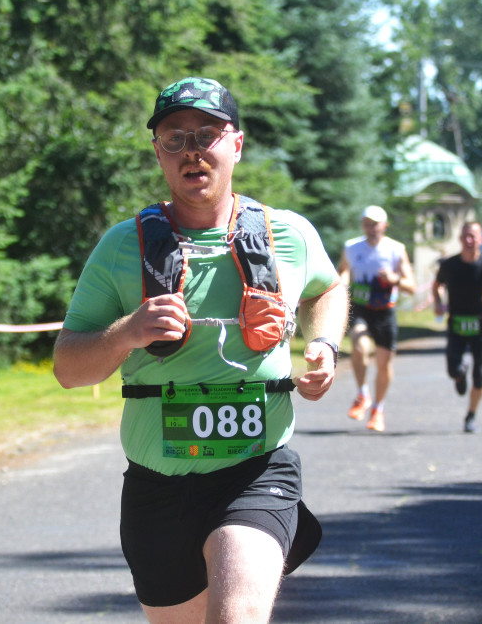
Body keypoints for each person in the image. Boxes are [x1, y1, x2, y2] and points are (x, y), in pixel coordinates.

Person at [53, 76, 348, 623]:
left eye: (207, 134)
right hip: (156, 488)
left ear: (236, 143)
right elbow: (69, 368)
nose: (192, 150)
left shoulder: (289, 234)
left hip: (257, 472)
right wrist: (127, 332)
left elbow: (327, 287)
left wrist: (325, 344)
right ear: (157, 153)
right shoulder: (122, 246)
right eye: (174, 137)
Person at [337, 205, 416, 432]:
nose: (372, 228)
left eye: (376, 224)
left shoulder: (396, 249)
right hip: (361, 308)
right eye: (367, 224)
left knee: (384, 363)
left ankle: (378, 409)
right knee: (360, 346)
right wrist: (342, 281)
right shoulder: (351, 247)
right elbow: (344, 270)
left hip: (385, 311)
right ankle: (362, 394)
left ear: (385, 226)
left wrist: (394, 279)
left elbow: (411, 286)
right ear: (363, 225)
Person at [431, 222, 482, 434]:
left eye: (474, 237)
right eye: (466, 236)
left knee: (479, 375)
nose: (469, 241)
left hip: (480, 325)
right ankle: (460, 374)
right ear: (460, 239)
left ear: (481, 240)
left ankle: (471, 415)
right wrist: (438, 303)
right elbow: (437, 285)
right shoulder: (450, 265)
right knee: (453, 370)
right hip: (457, 323)